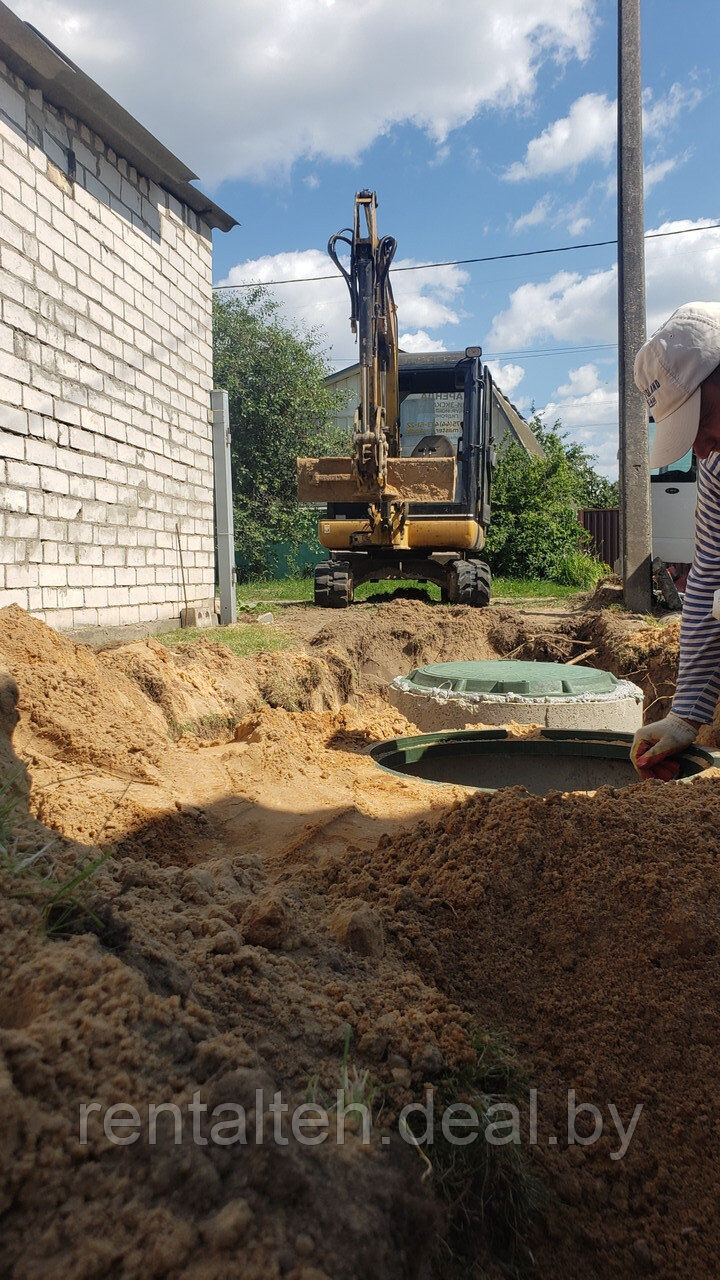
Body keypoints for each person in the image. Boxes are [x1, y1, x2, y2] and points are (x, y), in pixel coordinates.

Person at [631, 302, 720, 776]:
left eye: (701, 421)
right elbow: (708, 572)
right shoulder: (715, 463)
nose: (700, 447)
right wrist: (685, 715)